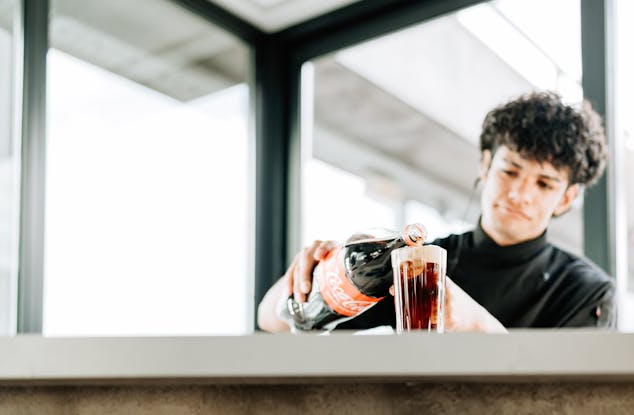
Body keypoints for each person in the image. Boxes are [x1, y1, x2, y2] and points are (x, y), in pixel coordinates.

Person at [258, 91, 615, 333]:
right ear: (485, 166)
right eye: (510, 171)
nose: (520, 193)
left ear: (566, 198)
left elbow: (565, 408)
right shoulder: (417, 265)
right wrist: (311, 274)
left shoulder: (585, 289)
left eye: (544, 184)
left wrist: (478, 325)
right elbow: (271, 319)